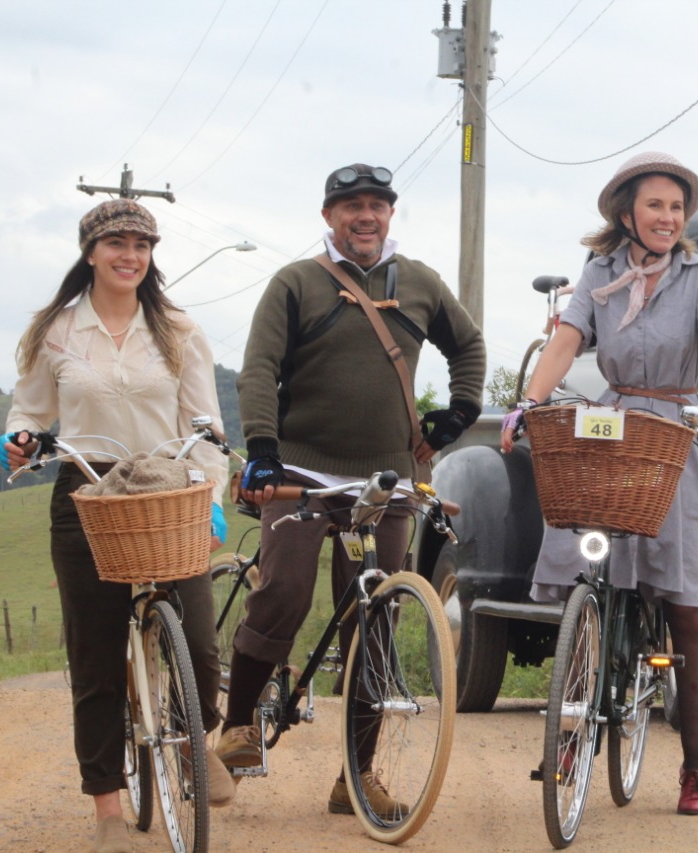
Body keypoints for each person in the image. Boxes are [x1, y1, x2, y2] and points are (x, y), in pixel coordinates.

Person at [218, 163, 486, 818]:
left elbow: (469, 346)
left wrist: (457, 414)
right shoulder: (296, 282)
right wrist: (260, 448)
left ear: (390, 215)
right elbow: (258, 368)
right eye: (351, 206)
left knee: (377, 612)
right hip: (301, 469)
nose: (365, 216)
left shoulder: (420, 282)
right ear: (328, 216)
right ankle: (237, 728)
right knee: (283, 588)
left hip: (386, 473)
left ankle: (357, 777)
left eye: (377, 205)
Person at [501, 151, 698, 816]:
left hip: (675, 433)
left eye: (677, 206)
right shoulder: (601, 272)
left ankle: (695, 769)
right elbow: (565, 338)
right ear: (627, 212)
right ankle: (571, 737)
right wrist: (529, 401)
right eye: (656, 205)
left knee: (689, 606)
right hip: (613, 424)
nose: (668, 217)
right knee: (593, 581)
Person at [0, 199, 235, 853]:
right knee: (95, 658)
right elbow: (30, 408)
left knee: (201, 642)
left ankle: (195, 739)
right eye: (116, 244)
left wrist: (211, 495)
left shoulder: (179, 330)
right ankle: (108, 810)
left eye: (141, 244)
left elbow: (208, 424)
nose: (130, 256)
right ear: (90, 251)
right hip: (88, 490)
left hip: (167, 488)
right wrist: (16, 441)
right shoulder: (58, 331)